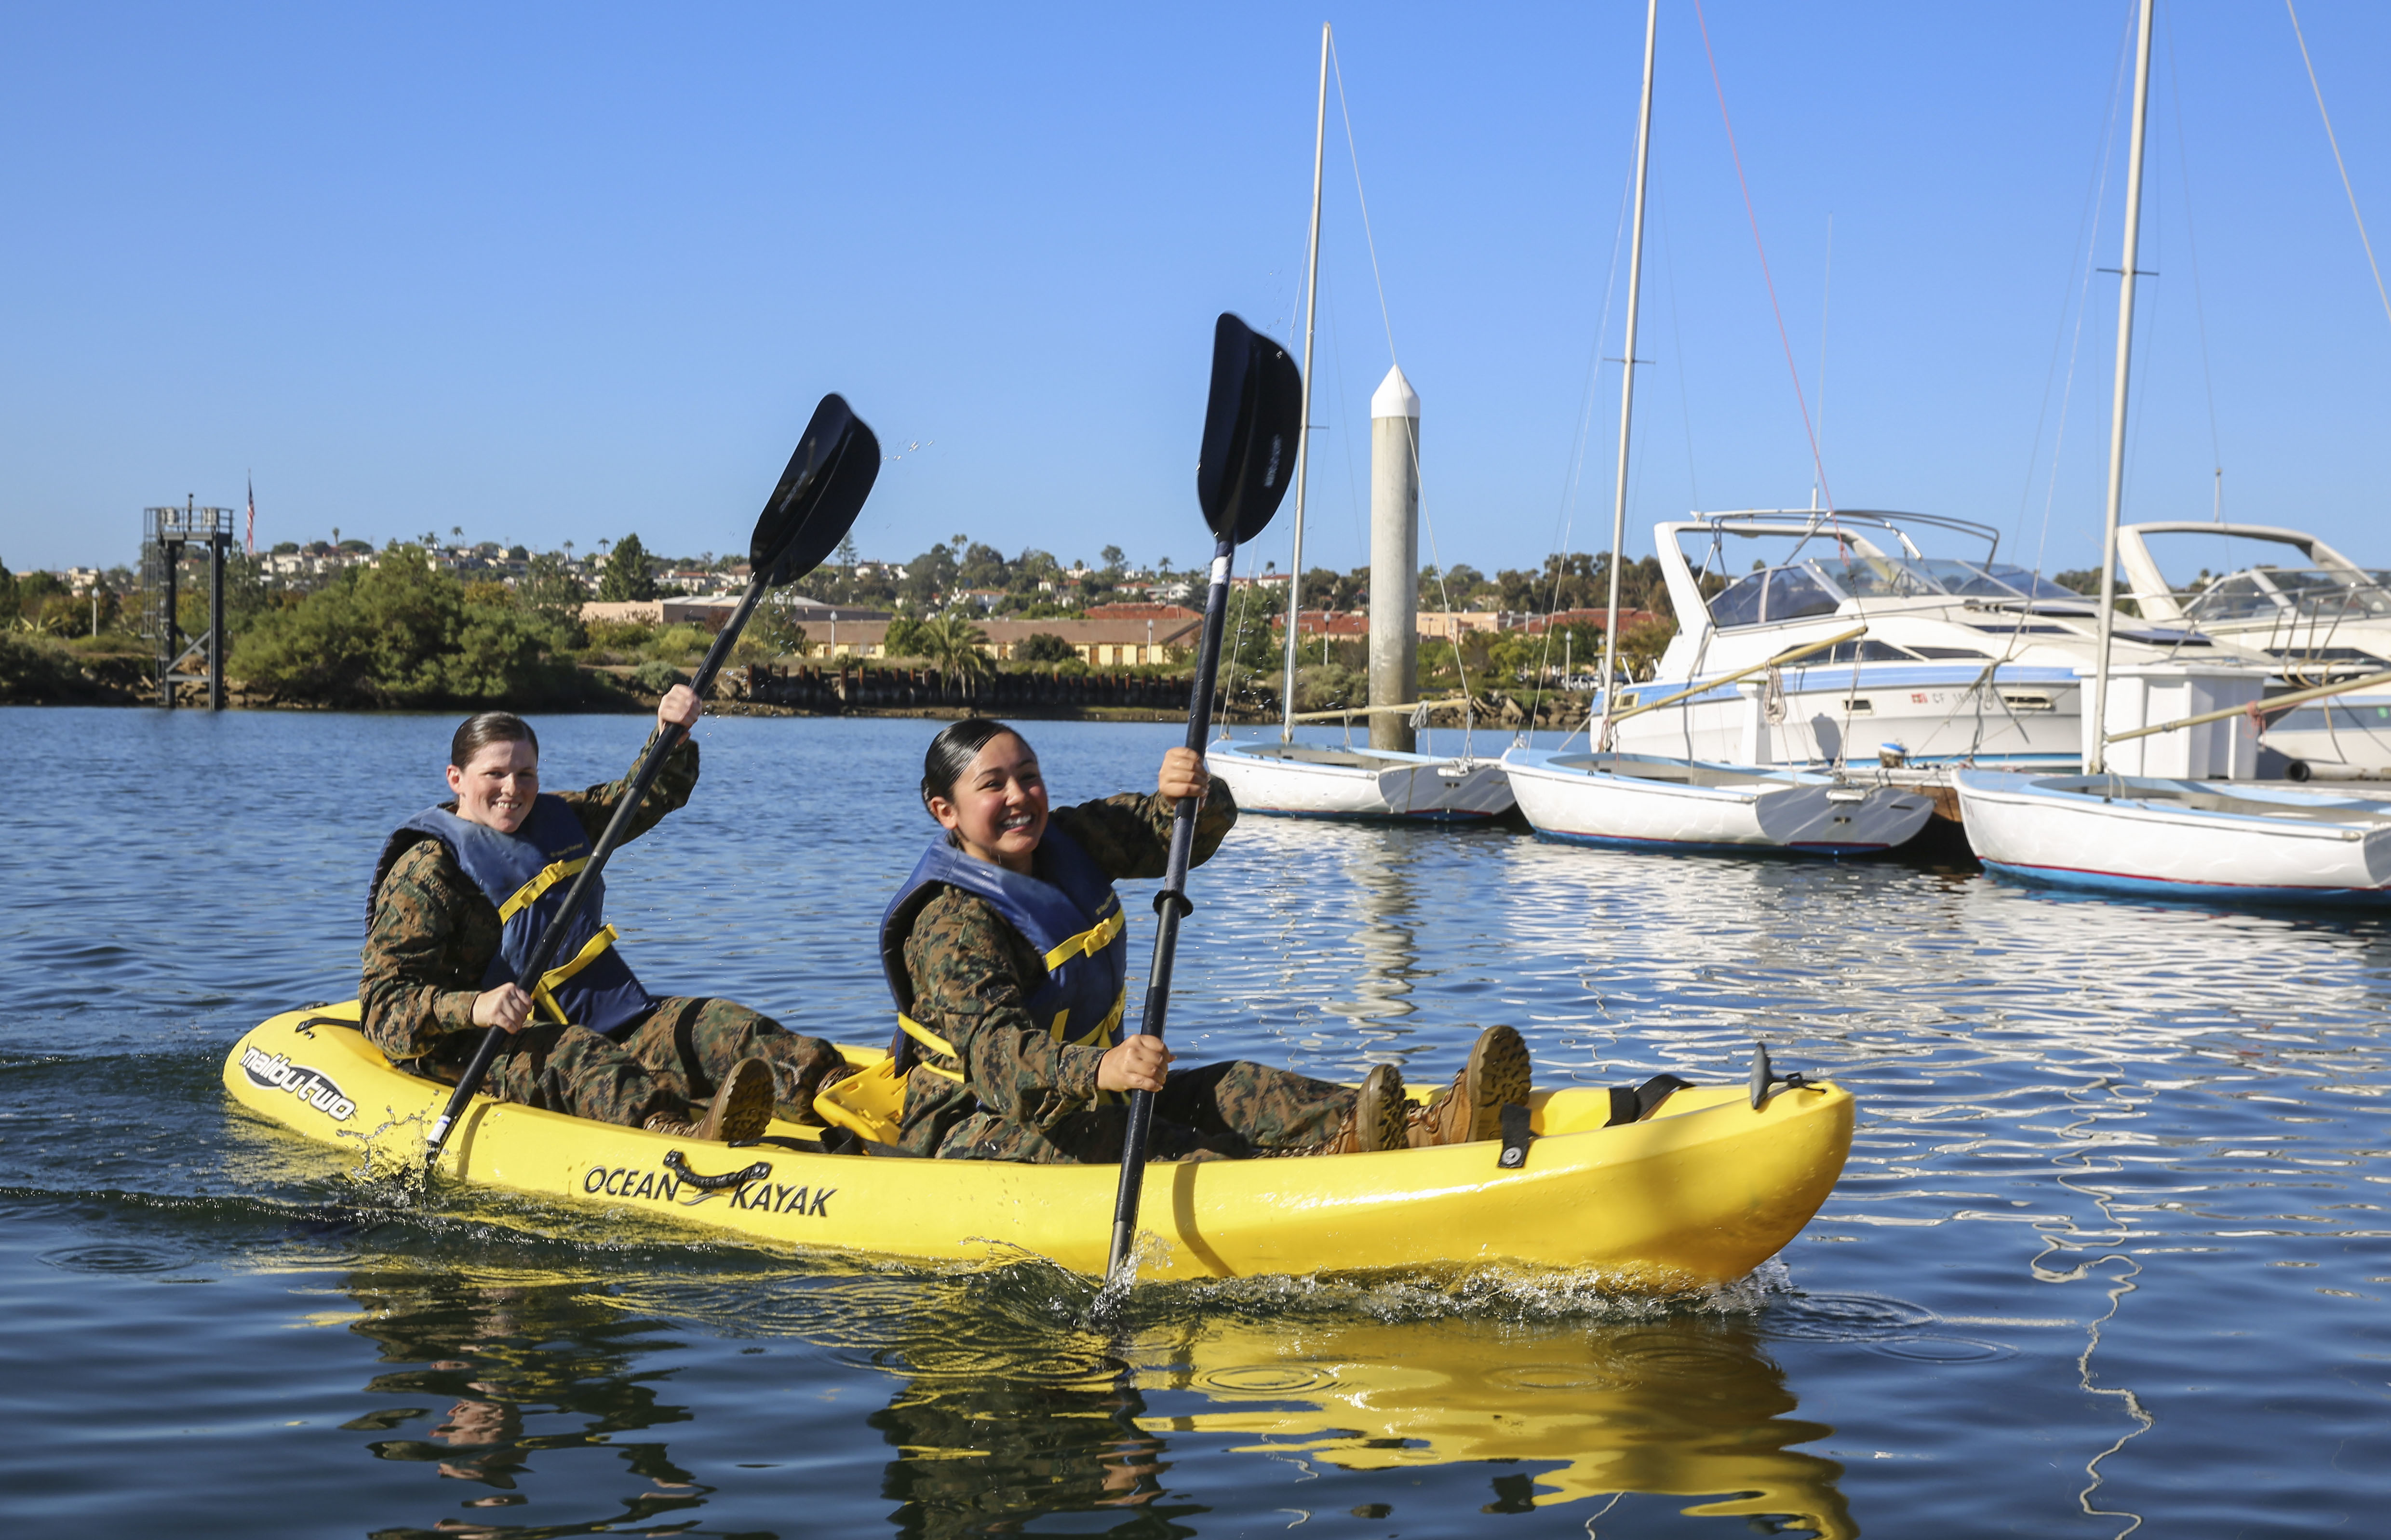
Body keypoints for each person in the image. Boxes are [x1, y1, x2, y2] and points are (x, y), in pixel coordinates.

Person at [877, 717, 1530, 1162]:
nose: (1021, 795)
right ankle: (1335, 1165)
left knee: (1234, 1086)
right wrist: (1101, 1067)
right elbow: (997, 1055)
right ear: (947, 810)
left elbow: (1183, 831)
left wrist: (1190, 792)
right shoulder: (950, 922)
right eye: (994, 784)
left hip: (1085, 1089)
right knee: (1164, 1143)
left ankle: (1420, 1126)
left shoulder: (1069, 840)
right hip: (976, 1121)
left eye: (1030, 774)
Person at [363, 685, 849, 1142]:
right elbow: (384, 1006)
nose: (512, 789)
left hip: (594, 1012)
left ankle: (837, 1092)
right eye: (495, 774)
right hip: (470, 1043)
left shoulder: (556, 819)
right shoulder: (425, 873)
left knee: (718, 1024)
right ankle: (672, 1133)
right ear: (457, 779)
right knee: (580, 1059)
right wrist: (475, 1007)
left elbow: (641, 797)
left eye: (526, 774)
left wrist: (669, 734)